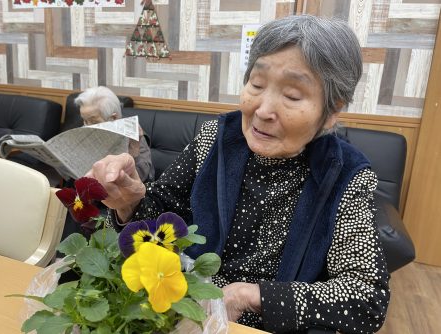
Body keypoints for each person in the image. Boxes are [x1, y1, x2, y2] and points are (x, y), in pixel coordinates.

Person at [87, 15, 390, 333]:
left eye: (292, 96)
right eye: (257, 85)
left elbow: (367, 297)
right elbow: (161, 213)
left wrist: (251, 295)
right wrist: (129, 201)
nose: (262, 110)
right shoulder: (216, 138)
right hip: (182, 306)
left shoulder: (345, 176)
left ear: (332, 111)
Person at [75, 86, 155, 182]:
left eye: (93, 121)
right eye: (85, 120)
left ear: (113, 118)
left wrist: (134, 148)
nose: (87, 126)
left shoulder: (135, 136)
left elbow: (142, 179)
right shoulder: (84, 131)